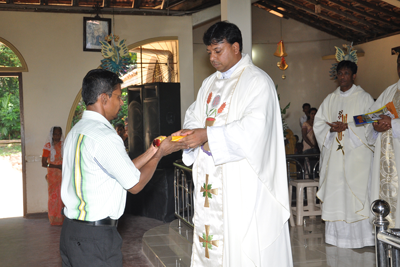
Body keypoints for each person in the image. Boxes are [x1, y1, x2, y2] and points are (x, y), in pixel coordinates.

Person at [173, 21, 293, 266]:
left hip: (241, 181)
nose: (213, 58)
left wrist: (208, 136)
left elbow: (255, 129)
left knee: (239, 243)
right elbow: (194, 115)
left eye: (218, 51)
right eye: (209, 53)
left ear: (236, 47)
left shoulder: (258, 81)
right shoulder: (209, 84)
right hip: (211, 175)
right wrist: (191, 135)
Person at [59, 69, 186, 266]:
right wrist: (161, 154)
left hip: (71, 232)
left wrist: (153, 150)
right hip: (95, 238)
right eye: (118, 96)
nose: (121, 102)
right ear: (103, 98)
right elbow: (134, 184)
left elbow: (121, 170)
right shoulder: (105, 136)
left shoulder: (76, 132)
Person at [314, 60, 375, 248]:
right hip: (335, 161)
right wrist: (331, 131)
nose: (342, 77)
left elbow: (370, 120)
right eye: (340, 74)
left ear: (354, 76)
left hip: (357, 160)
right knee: (336, 194)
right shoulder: (330, 99)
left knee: (355, 195)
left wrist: (347, 127)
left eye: (346, 73)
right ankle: (336, 238)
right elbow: (319, 123)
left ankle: (362, 239)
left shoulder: (364, 98)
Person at [367, 46, 400, 228]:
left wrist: (393, 123)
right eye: (399, 64)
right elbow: (372, 117)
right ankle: (388, 247)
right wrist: (376, 127)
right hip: (386, 163)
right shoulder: (388, 92)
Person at [42, 126, 64, 226]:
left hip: (63, 174)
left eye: (59, 134)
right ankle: (54, 218)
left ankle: (62, 217)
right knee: (53, 197)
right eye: (55, 134)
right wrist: (57, 166)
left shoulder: (63, 145)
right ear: (51, 135)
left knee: (62, 196)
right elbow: (43, 163)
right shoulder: (48, 146)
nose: (57, 136)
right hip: (52, 175)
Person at [302, 108, 319, 177]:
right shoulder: (305, 123)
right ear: (309, 114)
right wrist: (312, 145)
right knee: (309, 167)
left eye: (315, 113)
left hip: (316, 147)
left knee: (316, 166)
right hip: (308, 147)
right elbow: (304, 136)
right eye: (312, 113)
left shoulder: (318, 124)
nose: (313, 115)